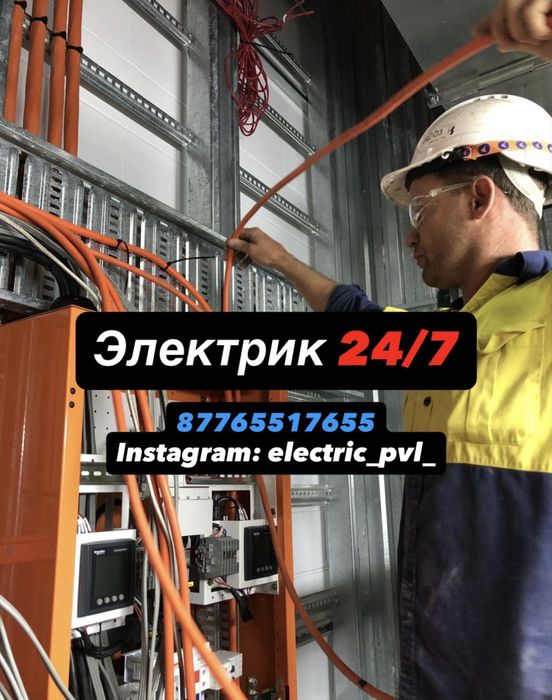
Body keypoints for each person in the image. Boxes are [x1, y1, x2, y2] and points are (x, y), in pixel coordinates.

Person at [226, 9, 552, 699]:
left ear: (480, 196)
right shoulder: (458, 332)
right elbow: (359, 321)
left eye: (419, 210)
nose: (409, 235)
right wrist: (281, 260)